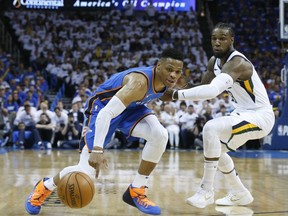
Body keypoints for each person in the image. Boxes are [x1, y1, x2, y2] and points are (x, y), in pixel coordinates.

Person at [25, 48, 184, 215]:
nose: (173, 75)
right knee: (85, 171)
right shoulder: (139, 82)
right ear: (158, 66)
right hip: (101, 108)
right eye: (169, 69)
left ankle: (136, 191)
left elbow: (181, 92)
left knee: (160, 135)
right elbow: (106, 113)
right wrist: (98, 150)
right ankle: (43, 188)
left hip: (131, 109)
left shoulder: (166, 82)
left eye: (177, 72)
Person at [171, 23, 275, 208]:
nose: (217, 42)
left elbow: (211, 91)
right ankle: (240, 192)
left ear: (231, 40)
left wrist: (175, 95)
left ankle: (206, 191)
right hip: (241, 113)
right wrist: (175, 87)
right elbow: (201, 87)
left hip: (260, 116)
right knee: (216, 150)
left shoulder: (238, 63)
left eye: (222, 38)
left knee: (211, 127)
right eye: (214, 38)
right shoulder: (214, 62)